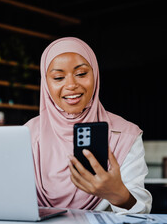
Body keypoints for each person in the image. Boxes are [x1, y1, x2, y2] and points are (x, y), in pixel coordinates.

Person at [24, 37, 152, 213]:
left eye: (81, 74)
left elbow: (142, 213)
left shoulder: (124, 135)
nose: (71, 85)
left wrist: (118, 195)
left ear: (95, 74)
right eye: (59, 77)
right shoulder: (28, 134)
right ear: (46, 83)